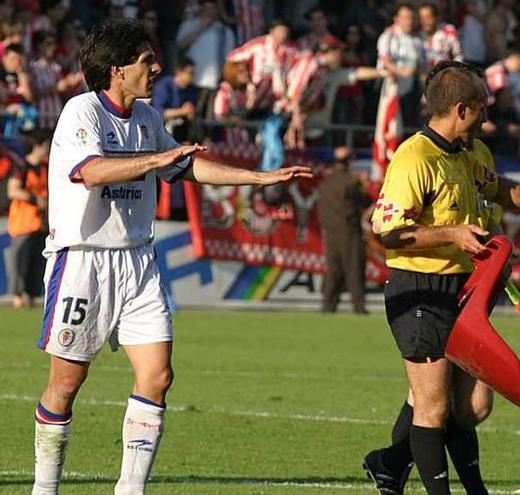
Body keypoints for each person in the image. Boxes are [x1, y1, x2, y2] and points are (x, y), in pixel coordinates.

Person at [29, 18, 312, 495]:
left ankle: (130, 490)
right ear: (117, 70)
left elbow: (186, 165)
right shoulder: (82, 112)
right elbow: (91, 171)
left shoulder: (146, 117)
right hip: (83, 262)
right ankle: (43, 489)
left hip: (138, 262)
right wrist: (155, 160)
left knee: (158, 376)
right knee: (65, 384)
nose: (156, 68)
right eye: (146, 61)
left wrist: (257, 179)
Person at [362, 60, 520, 495]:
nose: (487, 116)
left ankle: (388, 463)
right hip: (419, 289)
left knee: (472, 405)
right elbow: (388, 234)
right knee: (433, 406)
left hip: (465, 293)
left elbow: (496, 187)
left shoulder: (473, 152)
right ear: (459, 109)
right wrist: (450, 233)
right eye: (482, 108)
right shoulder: (414, 157)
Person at [316, 146, 373, 314]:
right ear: (349, 161)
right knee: (354, 269)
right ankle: (359, 306)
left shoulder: (326, 182)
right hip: (349, 231)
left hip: (330, 232)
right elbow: (365, 201)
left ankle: (328, 306)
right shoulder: (351, 182)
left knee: (334, 271)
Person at [6, 129, 49, 309]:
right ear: (37, 146)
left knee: (37, 264)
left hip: (42, 223)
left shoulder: (46, 167)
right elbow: (12, 190)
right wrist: (34, 199)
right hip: (24, 223)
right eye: (46, 145)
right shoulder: (21, 167)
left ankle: (31, 296)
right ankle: (17, 297)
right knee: (20, 263)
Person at [149, 56, 198, 143]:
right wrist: (182, 111)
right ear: (179, 72)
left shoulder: (192, 89)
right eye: (190, 73)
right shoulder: (164, 86)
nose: (192, 76)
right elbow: (158, 112)